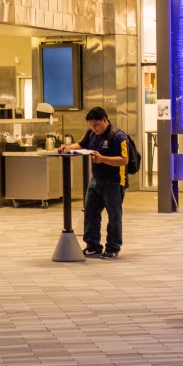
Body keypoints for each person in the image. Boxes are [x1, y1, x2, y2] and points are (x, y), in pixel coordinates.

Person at [59, 106, 128, 259]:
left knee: (114, 216)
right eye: (91, 125)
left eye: (96, 125)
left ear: (105, 120)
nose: (94, 128)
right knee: (90, 212)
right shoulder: (91, 133)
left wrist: (102, 159)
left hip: (114, 181)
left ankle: (113, 247)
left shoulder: (118, 137)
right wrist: (68, 147)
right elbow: (81, 144)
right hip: (96, 179)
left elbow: (124, 160)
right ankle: (93, 246)